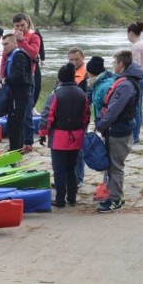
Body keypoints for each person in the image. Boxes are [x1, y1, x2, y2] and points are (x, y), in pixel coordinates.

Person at [95, 50, 143, 212]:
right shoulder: (127, 81)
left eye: (114, 63)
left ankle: (116, 199)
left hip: (119, 130)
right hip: (118, 128)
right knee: (112, 165)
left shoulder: (125, 85)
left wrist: (101, 125)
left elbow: (114, 109)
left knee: (115, 166)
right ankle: (112, 195)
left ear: (121, 64)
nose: (113, 66)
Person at [38, 63, 89, 208]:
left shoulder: (55, 94)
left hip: (59, 139)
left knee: (59, 170)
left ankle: (60, 200)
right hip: (77, 137)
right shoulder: (81, 94)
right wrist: (81, 131)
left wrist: (42, 134)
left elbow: (47, 117)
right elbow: (86, 116)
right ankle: (72, 198)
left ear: (60, 78)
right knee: (71, 168)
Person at [0, 13, 41, 153]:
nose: (20, 28)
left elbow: (34, 54)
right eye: (17, 26)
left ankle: (28, 142)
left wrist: (22, 41)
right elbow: (4, 59)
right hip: (12, 81)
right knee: (13, 113)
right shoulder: (10, 39)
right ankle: (17, 141)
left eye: (22, 25)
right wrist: (1, 77)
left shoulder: (34, 36)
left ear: (27, 23)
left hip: (28, 78)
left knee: (27, 112)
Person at [85, 56, 116, 201]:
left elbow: (104, 109)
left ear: (92, 73)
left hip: (107, 125)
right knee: (109, 156)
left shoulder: (102, 86)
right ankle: (106, 185)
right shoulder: (104, 80)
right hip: (106, 124)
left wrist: (101, 125)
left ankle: (109, 189)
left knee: (109, 157)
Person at [0, 33, 33, 152]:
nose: (4, 47)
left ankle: (15, 149)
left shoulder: (19, 55)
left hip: (20, 95)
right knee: (15, 122)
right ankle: (17, 147)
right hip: (14, 94)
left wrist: (5, 80)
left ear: (14, 42)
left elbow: (19, 76)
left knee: (15, 124)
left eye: (7, 44)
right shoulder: (12, 55)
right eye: (3, 45)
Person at [67, 47, 89, 188]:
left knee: (79, 149)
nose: (74, 62)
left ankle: (79, 178)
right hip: (67, 116)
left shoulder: (87, 75)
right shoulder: (67, 72)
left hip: (81, 117)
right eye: (71, 60)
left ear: (83, 57)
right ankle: (70, 177)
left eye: (77, 59)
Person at [127, 21, 143, 144]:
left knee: (134, 108)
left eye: (128, 34)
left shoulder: (136, 46)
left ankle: (135, 136)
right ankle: (136, 134)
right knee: (139, 107)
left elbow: (135, 65)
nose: (127, 37)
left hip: (137, 79)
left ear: (131, 33)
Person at [33, 28, 46, 106]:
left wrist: (43, 58)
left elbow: (41, 46)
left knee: (37, 85)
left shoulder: (35, 32)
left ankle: (32, 106)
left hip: (34, 61)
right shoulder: (16, 33)